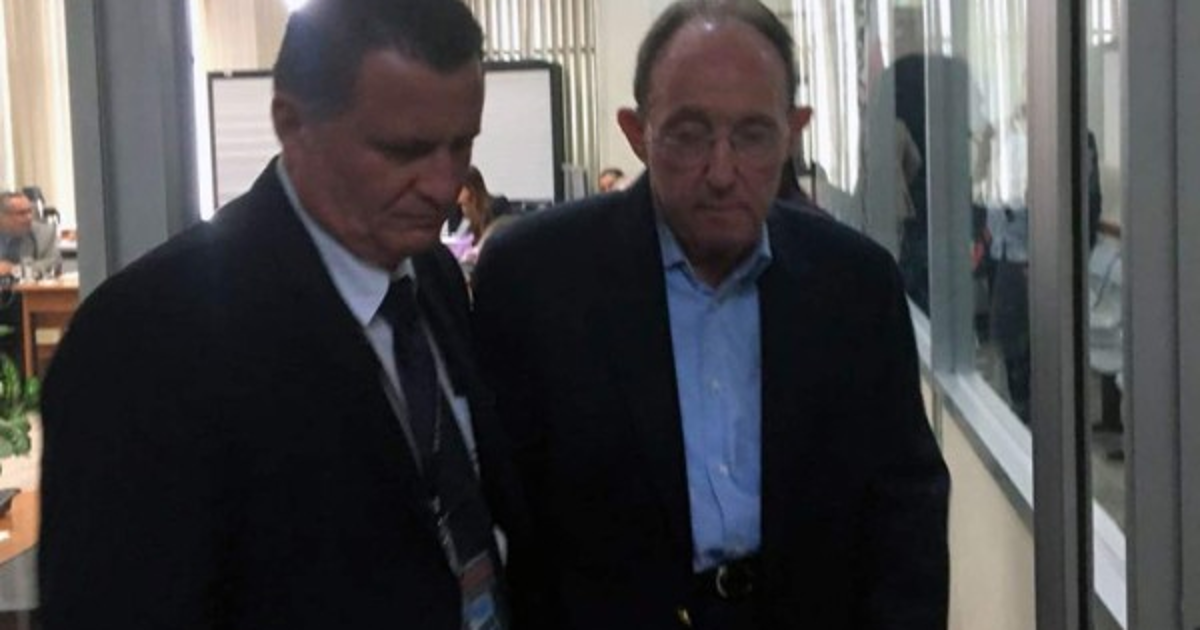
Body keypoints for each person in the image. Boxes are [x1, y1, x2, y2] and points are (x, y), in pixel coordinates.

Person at [39, 1, 524, 629]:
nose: (443, 185)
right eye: (404, 150)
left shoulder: (431, 274)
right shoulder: (147, 341)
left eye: (462, 145)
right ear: (291, 123)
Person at [472, 1, 949, 629]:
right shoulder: (536, 278)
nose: (722, 173)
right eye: (689, 134)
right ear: (637, 132)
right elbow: (504, 515)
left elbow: (906, 509)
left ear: (793, 132)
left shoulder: (855, 285)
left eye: (752, 135)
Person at [0, 190, 62, 279]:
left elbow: (54, 265)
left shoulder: (44, 233)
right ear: (3, 217)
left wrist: (15, 269)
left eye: (30, 211)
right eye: (21, 213)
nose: (29, 217)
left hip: (29, 286)